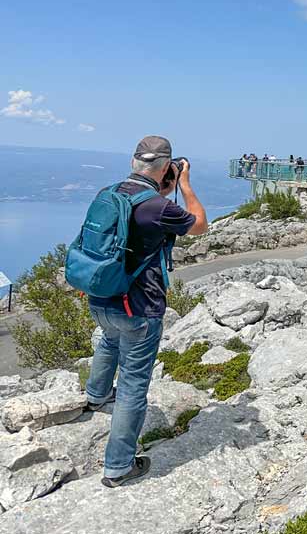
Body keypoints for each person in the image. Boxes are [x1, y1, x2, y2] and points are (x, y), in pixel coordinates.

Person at [85, 136, 208, 488]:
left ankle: (95, 396)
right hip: (139, 309)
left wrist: (163, 188)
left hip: (101, 297)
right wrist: (184, 185)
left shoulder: (109, 193)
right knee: (133, 386)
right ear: (166, 166)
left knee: (109, 340)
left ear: (134, 162)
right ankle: (118, 467)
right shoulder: (158, 207)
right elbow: (199, 225)